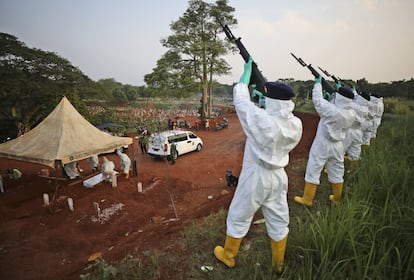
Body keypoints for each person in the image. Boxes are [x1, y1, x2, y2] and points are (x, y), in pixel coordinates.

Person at [214, 57, 303, 274]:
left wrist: (244, 79)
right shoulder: (295, 124)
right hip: (279, 176)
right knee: (279, 217)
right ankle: (278, 263)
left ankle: (228, 255)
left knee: (240, 214)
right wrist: (263, 99)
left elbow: (242, 103)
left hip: (256, 176)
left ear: (270, 101)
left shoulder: (263, 121)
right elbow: (269, 114)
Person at [294, 78, 356, 207]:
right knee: (337, 170)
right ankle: (337, 198)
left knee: (314, 168)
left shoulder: (331, 110)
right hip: (338, 145)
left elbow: (317, 100)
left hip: (323, 143)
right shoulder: (351, 113)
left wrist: (317, 84)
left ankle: (307, 199)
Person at [343, 91, 370, 171]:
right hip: (358, 132)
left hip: (349, 131)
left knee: (340, 150)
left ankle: (331, 169)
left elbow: (345, 102)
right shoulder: (365, 108)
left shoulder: (353, 106)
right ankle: (353, 170)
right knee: (355, 151)